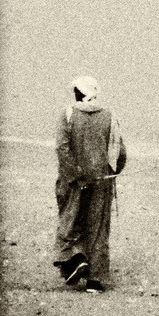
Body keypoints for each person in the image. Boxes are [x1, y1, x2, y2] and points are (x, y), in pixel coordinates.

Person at [52, 76, 127, 293]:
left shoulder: (68, 113)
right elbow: (119, 151)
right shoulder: (109, 115)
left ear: (79, 92)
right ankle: (95, 280)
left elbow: (62, 148)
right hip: (102, 182)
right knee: (98, 228)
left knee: (69, 223)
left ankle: (76, 261)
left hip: (73, 182)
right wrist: (113, 174)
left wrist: (76, 175)